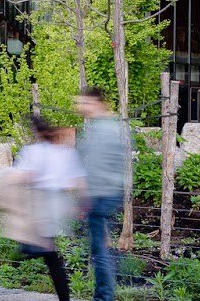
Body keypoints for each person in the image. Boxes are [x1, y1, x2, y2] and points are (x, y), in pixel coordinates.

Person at [2, 115, 83, 301]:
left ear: (35, 132)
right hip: (59, 202)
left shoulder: (33, 151)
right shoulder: (65, 151)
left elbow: (26, 176)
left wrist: (8, 178)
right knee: (52, 258)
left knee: (46, 252)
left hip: (41, 202)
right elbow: (76, 181)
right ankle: (64, 296)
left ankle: (32, 249)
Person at [75, 87, 132, 301]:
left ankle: (103, 297)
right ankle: (104, 292)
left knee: (99, 252)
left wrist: (85, 198)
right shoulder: (109, 126)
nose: (80, 107)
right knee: (100, 248)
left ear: (98, 103)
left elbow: (97, 168)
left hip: (101, 195)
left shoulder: (103, 130)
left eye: (85, 103)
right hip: (107, 193)